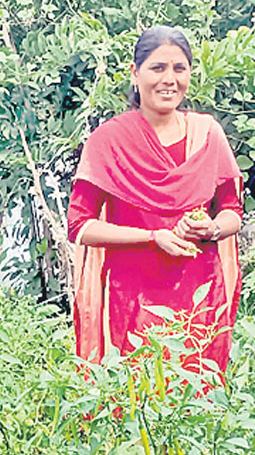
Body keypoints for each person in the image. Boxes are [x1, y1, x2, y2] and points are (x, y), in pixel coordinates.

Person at [68, 26, 243, 372]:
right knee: (135, 399)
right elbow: (80, 226)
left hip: (200, 294)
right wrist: (151, 237)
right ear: (135, 74)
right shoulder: (109, 140)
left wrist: (210, 229)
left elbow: (232, 212)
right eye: (157, 68)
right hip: (130, 299)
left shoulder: (208, 134)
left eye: (180, 69)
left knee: (198, 399)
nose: (170, 79)